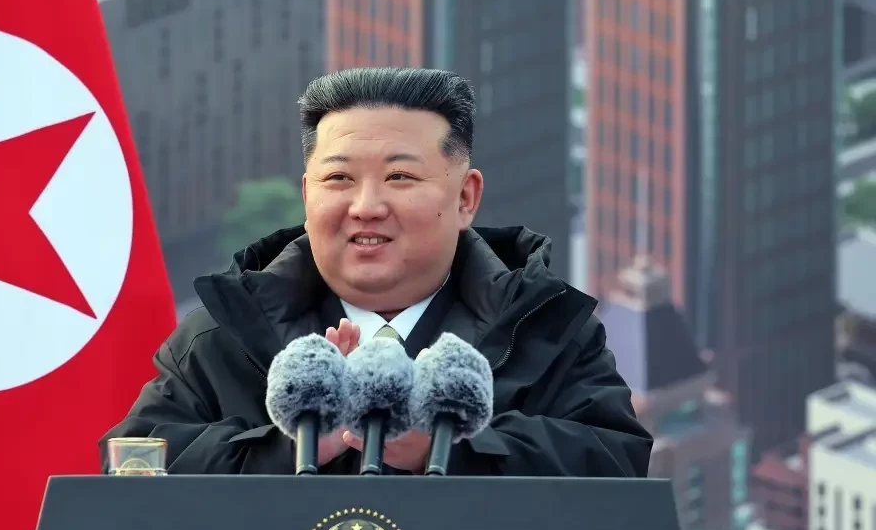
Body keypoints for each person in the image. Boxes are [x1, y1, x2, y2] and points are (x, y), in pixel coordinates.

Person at [100, 67, 653, 477]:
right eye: (339, 179)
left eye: (400, 178)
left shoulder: (546, 329)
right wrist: (295, 444)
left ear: (465, 198)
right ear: (307, 195)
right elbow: (132, 466)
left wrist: (448, 447)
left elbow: (617, 464)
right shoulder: (221, 335)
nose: (365, 206)